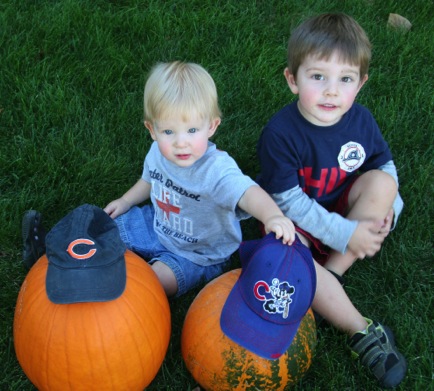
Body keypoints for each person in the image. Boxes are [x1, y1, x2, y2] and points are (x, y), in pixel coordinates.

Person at [256, 13, 406, 388]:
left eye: (346, 79)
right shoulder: (280, 134)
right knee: (287, 251)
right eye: (318, 76)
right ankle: (361, 329)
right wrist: (346, 232)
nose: (332, 91)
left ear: (361, 83)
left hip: (341, 207)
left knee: (385, 185)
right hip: (296, 223)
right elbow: (288, 203)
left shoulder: (361, 121)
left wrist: (385, 210)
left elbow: (382, 166)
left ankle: (330, 278)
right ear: (292, 80)